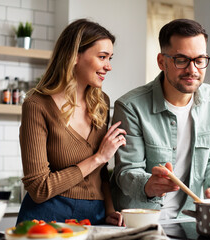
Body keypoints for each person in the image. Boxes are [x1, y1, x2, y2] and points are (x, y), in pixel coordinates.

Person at [111, 19, 210, 219]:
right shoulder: (130, 106)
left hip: (191, 220)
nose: (192, 70)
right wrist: (149, 185)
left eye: (200, 60)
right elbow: (126, 172)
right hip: (142, 221)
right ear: (161, 61)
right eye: (181, 60)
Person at [16, 18, 126, 226]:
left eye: (110, 58)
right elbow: (39, 189)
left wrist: (110, 210)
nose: (109, 66)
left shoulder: (101, 103)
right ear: (74, 56)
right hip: (46, 219)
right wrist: (98, 157)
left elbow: (101, 173)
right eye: (102, 57)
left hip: (96, 217)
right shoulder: (37, 105)